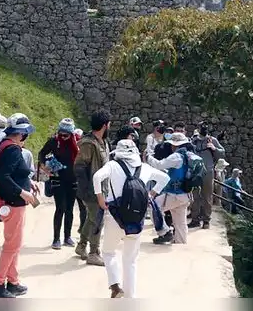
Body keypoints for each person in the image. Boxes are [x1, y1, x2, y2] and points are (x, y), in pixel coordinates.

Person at [92, 139, 169, 298]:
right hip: (136, 219)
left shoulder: (112, 165)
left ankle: (115, 286)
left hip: (114, 216)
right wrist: (152, 194)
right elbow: (165, 178)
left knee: (108, 252)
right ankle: (130, 298)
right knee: (130, 261)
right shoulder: (145, 168)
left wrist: (100, 199)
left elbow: (97, 177)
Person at [0, 114, 39, 298]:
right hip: (13, 203)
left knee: (14, 244)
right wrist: (23, 192)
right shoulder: (13, 150)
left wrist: (29, 182)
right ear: (21, 134)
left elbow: (12, 174)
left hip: (12, 203)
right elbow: (4, 178)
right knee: (11, 246)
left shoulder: (5, 145)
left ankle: (13, 280)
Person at [73, 112, 111, 266]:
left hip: (102, 188)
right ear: (104, 125)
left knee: (91, 218)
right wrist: (88, 189)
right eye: (109, 124)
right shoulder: (89, 143)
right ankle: (93, 253)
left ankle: (81, 246)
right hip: (93, 190)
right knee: (98, 220)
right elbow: (79, 167)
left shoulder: (103, 142)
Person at [38, 118, 79, 249]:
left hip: (73, 179)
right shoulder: (54, 141)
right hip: (57, 178)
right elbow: (41, 153)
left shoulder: (77, 143)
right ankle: (56, 239)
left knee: (70, 209)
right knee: (60, 208)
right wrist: (44, 166)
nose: (63, 137)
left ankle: (67, 237)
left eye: (66, 135)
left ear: (72, 134)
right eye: (61, 134)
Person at [148, 133, 194, 245]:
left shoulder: (176, 156)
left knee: (153, 206)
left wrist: (148, 157)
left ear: (174, 145)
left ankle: (164, 232)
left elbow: (159, 164)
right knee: (180, 222)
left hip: (174, 194)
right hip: (185, 194)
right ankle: (181, 243)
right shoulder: (189, 155)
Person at [189, 123, 225, 230]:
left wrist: (214, 148)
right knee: (195, 196)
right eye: (202, 127)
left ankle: (206, 220)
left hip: (208, 171)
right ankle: (195, 219)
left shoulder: (212, 140)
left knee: (207, 196)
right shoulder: (194, 141)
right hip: (195, 170)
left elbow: (222, 154)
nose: (204, 129)